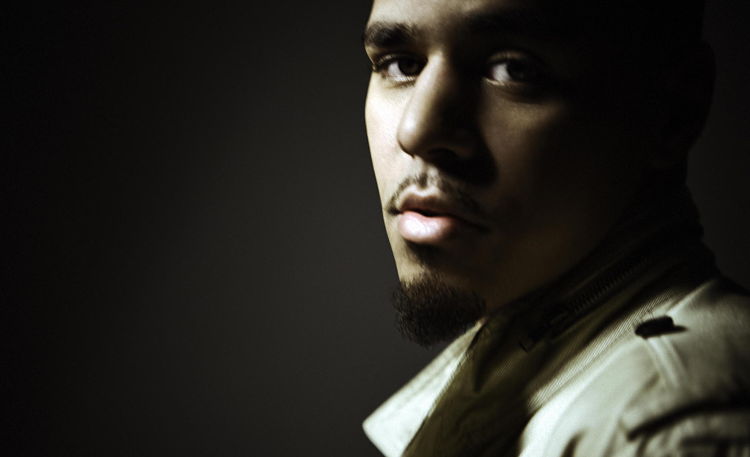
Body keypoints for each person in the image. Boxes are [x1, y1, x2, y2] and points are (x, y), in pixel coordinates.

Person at [360, 0, 750, 456]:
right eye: (402, 65)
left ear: (674, 110)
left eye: (514, 69)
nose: (416, 130)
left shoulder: (670, 434)